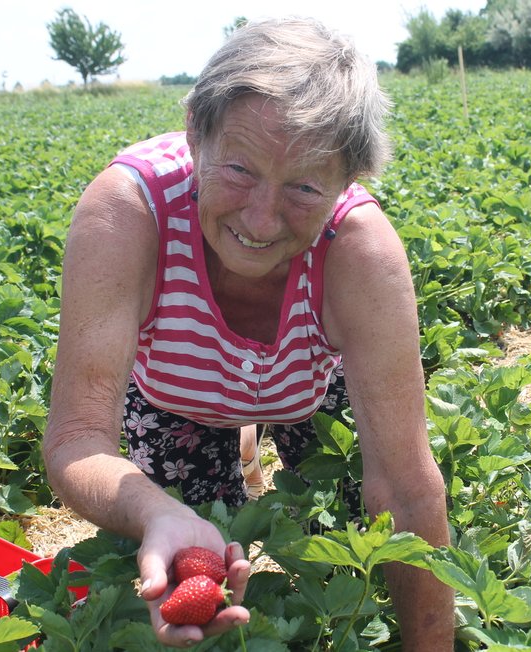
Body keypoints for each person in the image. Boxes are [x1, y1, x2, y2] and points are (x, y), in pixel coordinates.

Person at [42, 17, 453, 650]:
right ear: (193, 132)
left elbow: (404, 482)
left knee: (358, 547)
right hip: (177, 397)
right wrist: (158, 512)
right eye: (238, 169)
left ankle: (257, 432)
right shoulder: (128, 215)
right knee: (197, 538)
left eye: (304, 187)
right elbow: (75, 438)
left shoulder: (358, 251)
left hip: (306, 386)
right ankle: (236, 441)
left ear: (348, 183)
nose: (260, 219)